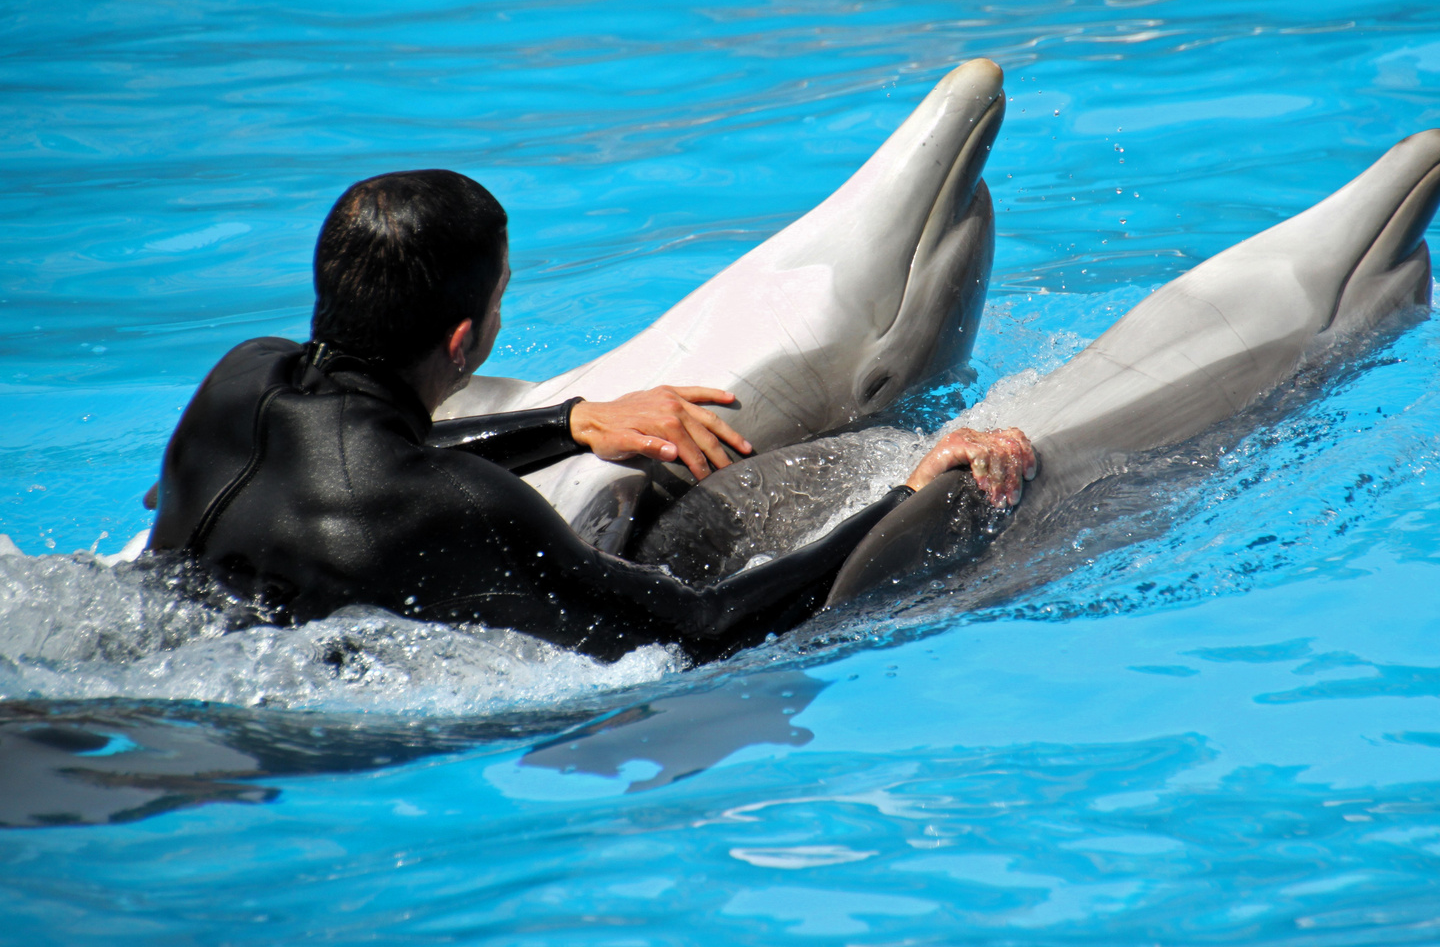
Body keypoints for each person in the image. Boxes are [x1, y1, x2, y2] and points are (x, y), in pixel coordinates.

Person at [148, 170, 1035, 662]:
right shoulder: (455, 505)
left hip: (139, 633)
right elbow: (704, 628)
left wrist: (572, 422)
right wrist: (902, 497)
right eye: (500, 300)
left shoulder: (244, 375)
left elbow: (357, 447)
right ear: (465, 342)